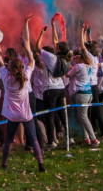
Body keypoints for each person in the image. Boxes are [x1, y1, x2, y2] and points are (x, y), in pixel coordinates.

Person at [0, 19, 45, 173]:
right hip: (26, 115)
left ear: (11, 68)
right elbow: (32, 60)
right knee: (33, 139)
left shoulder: (6, 79)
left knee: (9, 141)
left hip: (12, 116)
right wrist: (28, 48)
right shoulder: (26, 76)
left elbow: (1, 62)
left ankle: (4, 164)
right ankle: (40, 164)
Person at [33, 15, 70, 150]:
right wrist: (54, 26)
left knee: (50, 115)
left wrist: (41, 34)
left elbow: (37, 48)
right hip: (61, 88)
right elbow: (56, 41)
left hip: (51, 89)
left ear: (58, 49)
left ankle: (51, 141)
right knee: (62, 114)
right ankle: (68, 138)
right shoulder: (65, 58)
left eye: (57, 46)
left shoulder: (51, 58)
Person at [67, 22, 98, 147]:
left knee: (83, 117)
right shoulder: (88, 64)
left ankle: (94, 139)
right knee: (82, 117)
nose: (74, 58)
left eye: (75, 57)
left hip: (81, 94)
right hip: (88, 93)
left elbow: (68, 74)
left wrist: (65, 66)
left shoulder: (79, 66)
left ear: (80, 57)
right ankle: (86, 138)